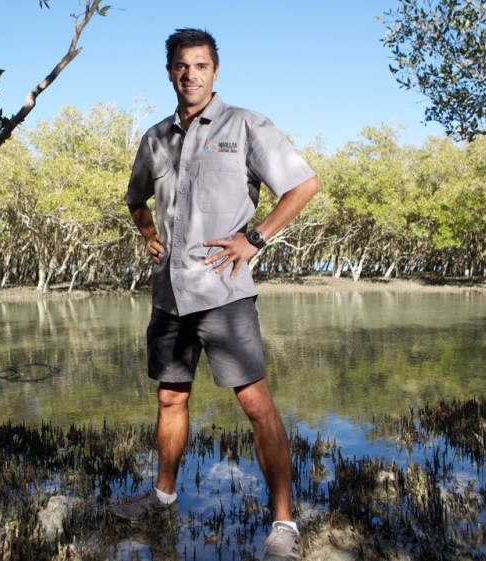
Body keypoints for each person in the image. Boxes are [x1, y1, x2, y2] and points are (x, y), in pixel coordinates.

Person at [109, 28, 320, 561]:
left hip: (224, 293)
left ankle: (284, 526)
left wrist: (255, 238)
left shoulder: (245, 124)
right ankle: (163, 495)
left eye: (200, 65)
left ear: (215, 71)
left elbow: (303, 185)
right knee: (170, 398)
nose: (190, 74)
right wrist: (148, 232)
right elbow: (136, 199)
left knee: (256, 405)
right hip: (167, 297)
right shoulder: (154, 138)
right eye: (182, 66)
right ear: (170, 72)